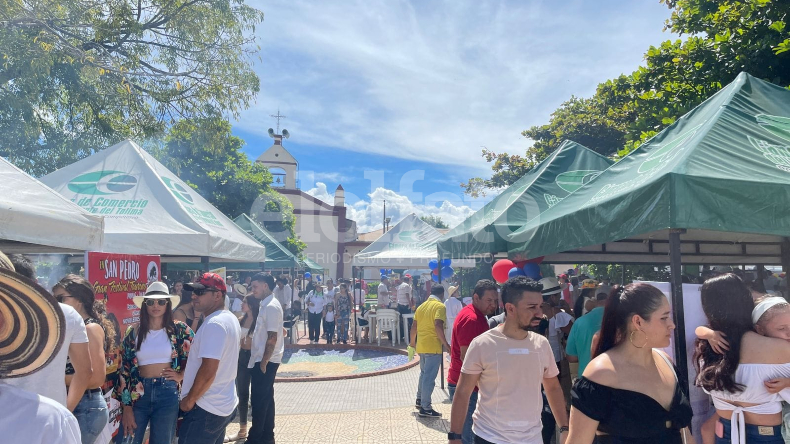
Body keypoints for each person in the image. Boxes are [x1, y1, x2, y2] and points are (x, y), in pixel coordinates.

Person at [448, 276, 569, 444]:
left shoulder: (541, 344)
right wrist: (454, 436)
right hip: (490, 437)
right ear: (510, 309)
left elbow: (553, 387)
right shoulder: (482, 344)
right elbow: (462, 392)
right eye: (532, 307)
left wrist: (564, 428)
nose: (540, 313)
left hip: (532, 438)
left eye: (540, 306)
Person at [568, 283, 692, 443]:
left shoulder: (666, 361)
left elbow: (685, 434)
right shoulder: (601, 373)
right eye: (664, 318)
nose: (672, 324)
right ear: (638, 322)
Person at [695, 274, 790, 444]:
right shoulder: (778, 347)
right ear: (745, 301)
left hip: (724, 431)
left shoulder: (708, 347)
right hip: (765, 434)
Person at [0, 264, 83, 443]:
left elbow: (88, 373)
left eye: (60, 297)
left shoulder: (51, 421)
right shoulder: (51, 421)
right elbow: (86, 372)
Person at [116, 281, 192, 444]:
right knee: (126, 440)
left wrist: (181, 375)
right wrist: (127, 407)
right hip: (138, 393)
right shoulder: (133, 331)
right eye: (150, 301)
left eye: (161, 301)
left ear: (168, 304)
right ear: (144, 305)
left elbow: (197, 356)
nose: (155, 305)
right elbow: (125, 370)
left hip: (167, 392)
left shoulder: (180, 330)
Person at [179, 273, 241, 444]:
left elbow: (208, 370)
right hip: (220, 403)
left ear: (217, 295)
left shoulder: (215, 324)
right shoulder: (229, 318)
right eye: (193, 292)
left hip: (206, 407)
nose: (194, 296)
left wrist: (189, 401)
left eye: (200, 292)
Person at [55, 274, 116, 444]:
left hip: (85, 406)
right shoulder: (79, 327)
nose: (55, 303)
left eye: (60, 298)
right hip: (83, 405)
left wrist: (53, 377)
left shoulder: (90, 328)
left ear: (79, 300)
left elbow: (96, 378)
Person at [447, 279, 499, 444]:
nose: (493, 305)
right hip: (466, 386)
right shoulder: (472, 319)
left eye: (495, 301)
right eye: (489, 300)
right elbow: (466, 357)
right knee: (467, 438)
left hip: (466, 384)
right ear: (476, 298)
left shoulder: (477, 315)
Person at [247, 273, 285, 444]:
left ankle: (255, 439)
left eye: (255, 286)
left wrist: (264, 361)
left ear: (265, 286)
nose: (252, 289)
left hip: (265, 360)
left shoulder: (270, 306)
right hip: (264, 359)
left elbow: (272, 337)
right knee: (266, 399)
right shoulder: (266, 304)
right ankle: (267, 436)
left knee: (259, 400)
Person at [409, 285, 450, 418]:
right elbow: (438, 325)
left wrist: (412, 343)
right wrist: (446, 344)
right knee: (429, 378)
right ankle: (425, 408)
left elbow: (414, 326)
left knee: (424, 374)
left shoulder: (421, 307)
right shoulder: (440, 306)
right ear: (442, 294)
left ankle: (420, 399)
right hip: (433, 346)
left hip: (421, 345)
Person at [224, 295, 259, 442]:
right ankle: (242, 430)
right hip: (241, 359)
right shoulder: (240, 320)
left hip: (255, 358)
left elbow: (280, 331)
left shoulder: (260, 321)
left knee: (257, 396)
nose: (241, 304)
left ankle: (257, 429)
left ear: (251, 305)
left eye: (244, 302)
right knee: (242, 395)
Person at [565, 292, 607, 378]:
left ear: (595, 302)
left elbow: (571, 357)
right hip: (615, 382)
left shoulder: (579, 322)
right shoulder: (623, 322)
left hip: (587, 379)